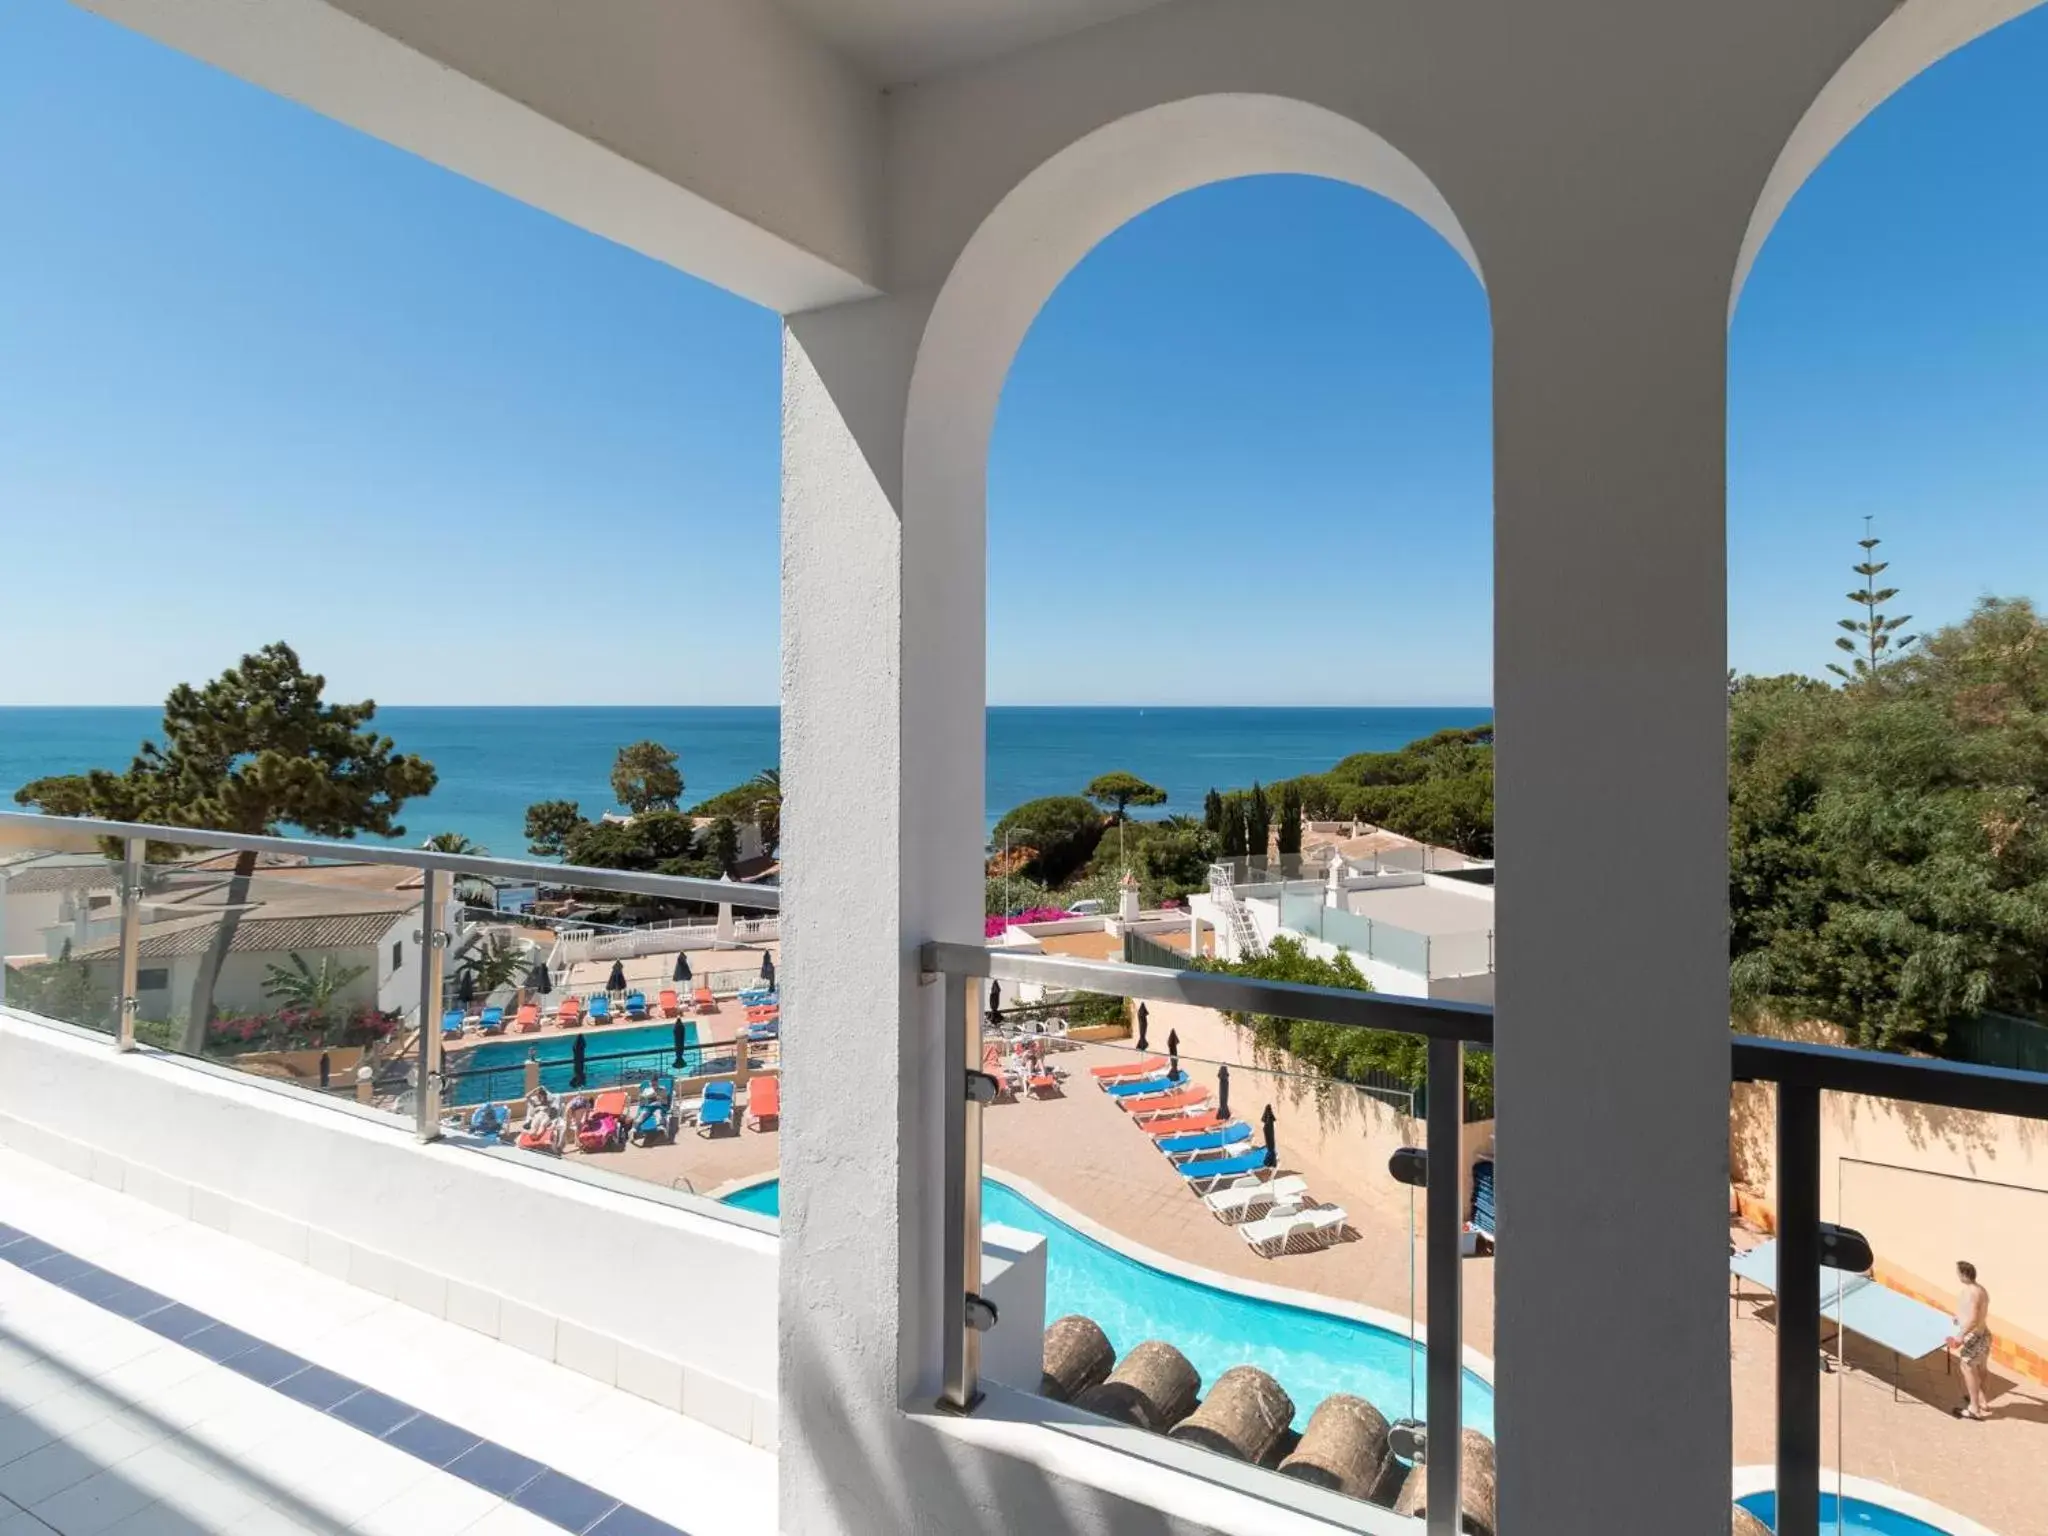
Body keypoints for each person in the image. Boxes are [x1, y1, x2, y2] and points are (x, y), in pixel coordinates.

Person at [1948, 1260, 1994, 1420]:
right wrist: (1959, 1317)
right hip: (1985, 1335)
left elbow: (1974, 1318)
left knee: (1967, 1368)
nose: (1957, 1275)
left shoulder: (1971, 1292)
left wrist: (1960, 1335)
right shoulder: (1981, 1289)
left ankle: (1974, 1409)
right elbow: (1975, 1313)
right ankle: (1983, 1401)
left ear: (1964, 1274)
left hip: (1974, 1336)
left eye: (1958, 1273)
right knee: (1982, 1369)